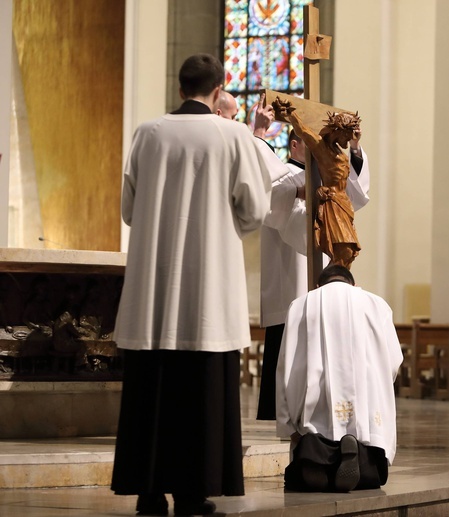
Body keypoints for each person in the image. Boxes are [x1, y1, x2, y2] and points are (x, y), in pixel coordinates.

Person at [110, 54, 287, 516]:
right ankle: (192, 491)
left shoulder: (147, 133)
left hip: (154, 288)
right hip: (208, 288)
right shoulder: (231, 135)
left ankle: (148, 491)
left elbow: (129, 210)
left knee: (153, 389)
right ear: (218, 87)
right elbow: (254, 208)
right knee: (199, 394)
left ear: (180, 84)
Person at [253, 95, 370, 421]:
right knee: (288, 337)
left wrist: (355, 151)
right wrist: (261, 139)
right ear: (295, 144)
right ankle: (281, 409)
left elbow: (356, 196)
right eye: (312, 141)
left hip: (322, 275)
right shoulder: (285, 175)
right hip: (289, 277)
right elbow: (272, 205)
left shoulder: (319, 176)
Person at [276, 265, 403, 492]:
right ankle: (358, 455)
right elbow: (393, 363)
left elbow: (287, 365)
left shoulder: (302, 304)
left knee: (307, 453)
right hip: (366, 413)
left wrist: (289, 421)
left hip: (315, 413)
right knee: (371, 466)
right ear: (353, 285)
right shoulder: (377, 304)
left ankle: (318, 463)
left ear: (318, 286)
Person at [272, 97, 363, 268]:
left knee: (348, 252)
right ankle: (335, 279)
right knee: (343, 250)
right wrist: (291, 115)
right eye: (347, 135)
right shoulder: (321, 150)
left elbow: (356, 188)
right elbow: (304, 131)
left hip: (343, 204)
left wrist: (355, 144)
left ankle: (337, 279)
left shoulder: (337, 150)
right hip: (333, 203)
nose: (348, 140)